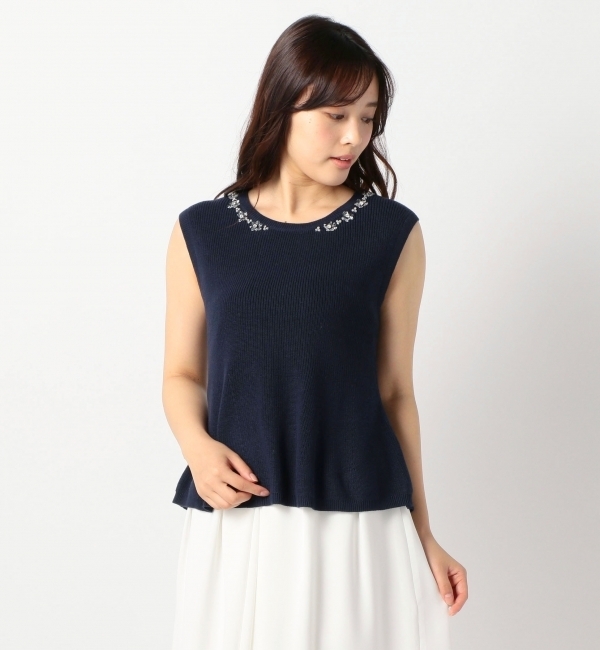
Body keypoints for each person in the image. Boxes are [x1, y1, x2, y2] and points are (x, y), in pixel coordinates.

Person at [162, 14, 468, 650]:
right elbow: (181, 374)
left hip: (358, 525)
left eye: (368, 118)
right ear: (283, 106)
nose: (355, 136)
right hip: (237, 520)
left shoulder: (391, 234)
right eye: (336, 115)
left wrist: (424, 532)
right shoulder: (202, 232)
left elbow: (396, 393)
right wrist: (196, 447)